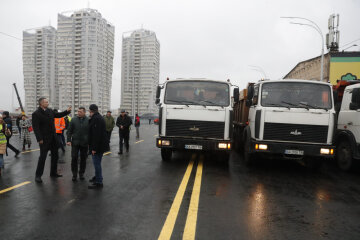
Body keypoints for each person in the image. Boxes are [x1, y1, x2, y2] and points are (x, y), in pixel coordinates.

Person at [32, 97, 71, 183]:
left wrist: (67, 111)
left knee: (55, 156)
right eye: (46, 102)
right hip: (44, 139)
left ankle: (53, 173)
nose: (47, 103)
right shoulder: (36, 113)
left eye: (47, 102)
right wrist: (39, 139)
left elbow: (58, 115)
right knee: (42, 157)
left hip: (53, 138)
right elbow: (36, 128)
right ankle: (38, 176)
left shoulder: (49, 111)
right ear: (41, 103)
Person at [67, 107, 89, 182]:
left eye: (80, 112)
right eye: (78, 111)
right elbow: (69, 131)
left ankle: (81, 173)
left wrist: (89, 141)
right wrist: (68, 140)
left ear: (84, 112)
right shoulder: (73, 119)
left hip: (85, 143)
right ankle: (74, 174)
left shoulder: (88, 120)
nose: (78, 113)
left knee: (83, 159)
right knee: (74, 158)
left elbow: (91, 132)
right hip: (75, 142)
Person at [88, 104, 107, 189]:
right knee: (97, 163)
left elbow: (96, 135)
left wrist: (94, 148)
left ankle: (99, 182)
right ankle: (97, 177)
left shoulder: (96, 119)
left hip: (97, 147)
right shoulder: (98, 117)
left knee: (97, 164)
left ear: (91, 111)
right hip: (100, 145)